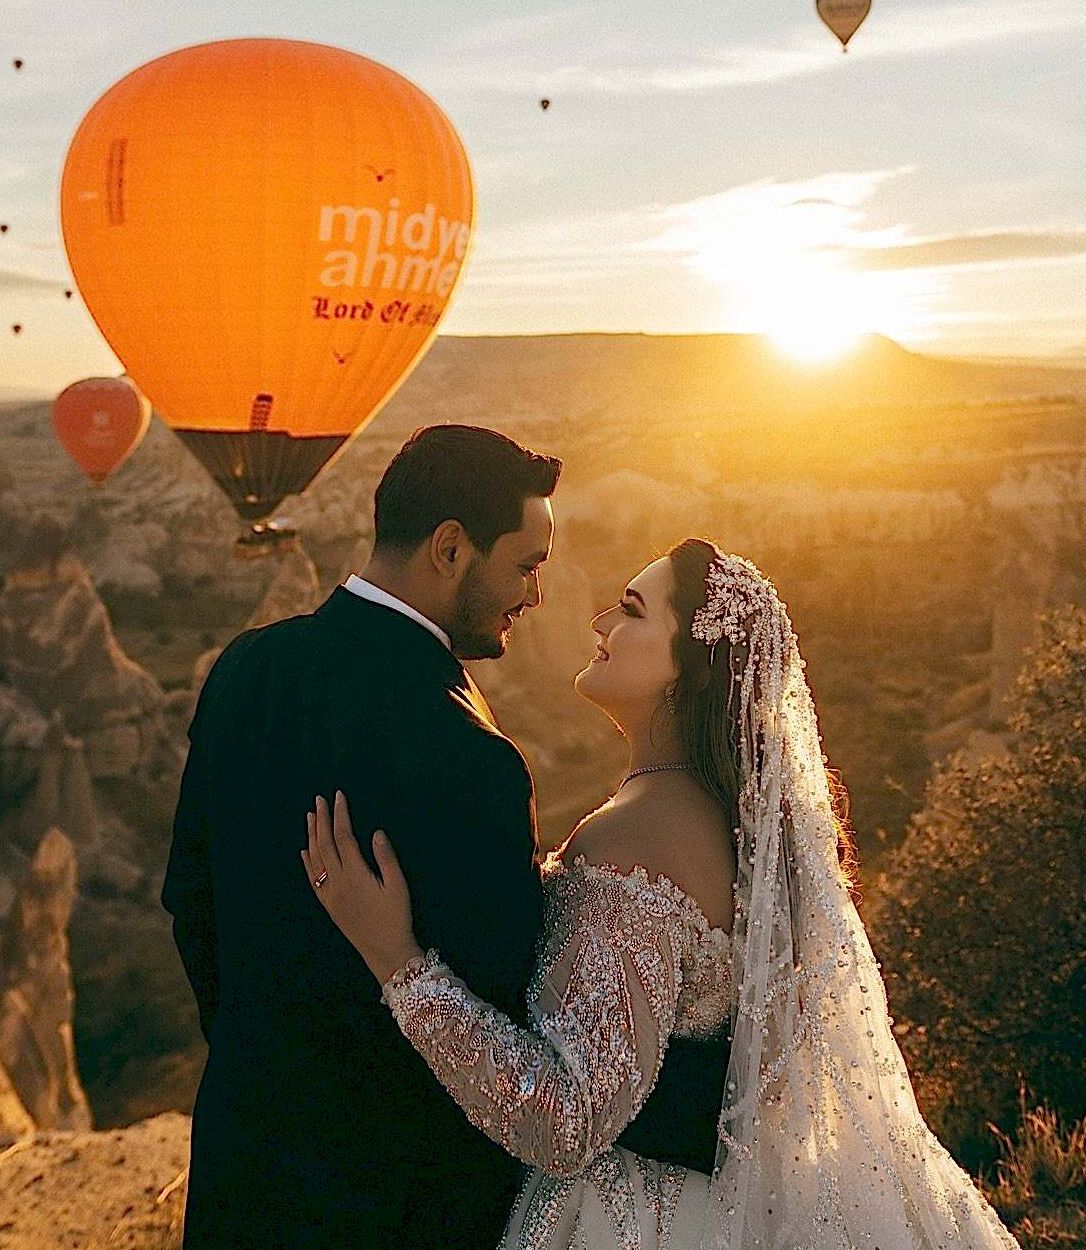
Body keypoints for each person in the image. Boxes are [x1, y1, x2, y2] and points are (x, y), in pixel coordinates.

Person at [307, 541, 1024, 1250]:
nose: (598, 624)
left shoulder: (634, 838)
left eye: (631, 610)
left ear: (688, 668)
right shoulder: (739, 827)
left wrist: (398, 963)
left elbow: (568, 1121)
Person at [161, 425, 729, 1249]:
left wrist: (268, 1063)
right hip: (404, 1205)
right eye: (526, 565)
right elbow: (517, 1015)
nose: (535, 594)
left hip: (245, 1170)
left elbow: (192, 904)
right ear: (451, 548)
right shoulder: (469, 757)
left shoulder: (246, 669)